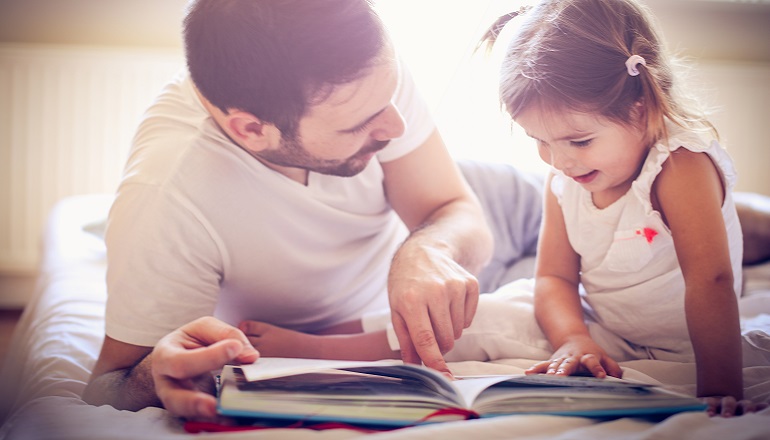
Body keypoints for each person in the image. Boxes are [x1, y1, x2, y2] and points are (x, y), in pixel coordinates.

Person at [81, 0, 526, 419]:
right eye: (359, 124)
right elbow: (107, 387)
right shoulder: (171, 196)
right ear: (251, 129)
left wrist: (426, 249)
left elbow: (458, 210)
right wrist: (151, 376)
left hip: (458, 226)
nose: (397, 127)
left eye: (391, 98)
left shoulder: (361, 81)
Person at [471, 0, 769, 418]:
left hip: (692, 345)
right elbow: (554, 277)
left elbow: (712, 279)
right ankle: (345, 346)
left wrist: (720, 386)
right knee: (485, 311)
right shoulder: (564, 179)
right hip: (606, 331)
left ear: (640, 107)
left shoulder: (678, 166)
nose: (559, 161)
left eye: (579, 141)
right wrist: (573, 337)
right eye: (538, 140)